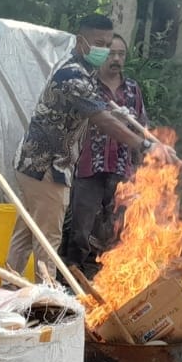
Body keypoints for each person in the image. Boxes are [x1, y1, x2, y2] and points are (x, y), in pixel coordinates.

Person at [7, 14, 161, 280]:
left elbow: (104, 109)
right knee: (48, 238)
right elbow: (101, 119)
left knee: (27, 231)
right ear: (81, 42)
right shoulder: (72, 74)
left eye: (107, 43)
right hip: (46, 167)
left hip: (35, 164)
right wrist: (144, 144)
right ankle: (47, 302)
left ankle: (9, 287)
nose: (103, 50)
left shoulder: (82, 70)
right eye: (98, 43)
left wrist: (120, 113)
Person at [63, 34, 146, 273]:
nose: (116, 59)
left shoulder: (132, 89)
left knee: (118, 224)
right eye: (112, 53)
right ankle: (73, 274)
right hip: (90, 164)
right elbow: (77, 122)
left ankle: (112, 275)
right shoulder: (87, 85)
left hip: (122, 165)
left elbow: (142, 124)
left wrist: (143, 161)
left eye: (121, 54)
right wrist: (109, 121)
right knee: (82, 225)